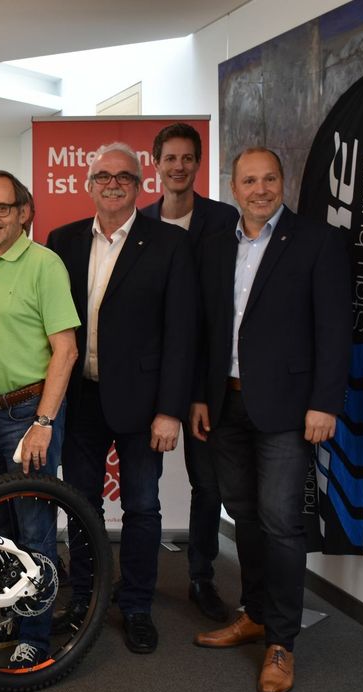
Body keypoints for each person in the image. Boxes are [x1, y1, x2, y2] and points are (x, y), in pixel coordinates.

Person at [191, 147, 350, 692]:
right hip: (227, 404)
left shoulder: (316, 241)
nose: (261, 189)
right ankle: (254, 613)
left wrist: (325, 403)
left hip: (288, 409)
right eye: (249, 180)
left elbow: (335, 329)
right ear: (233, 187)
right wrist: (200, 397)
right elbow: (209, 330)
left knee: (282, 523)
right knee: (245, 515)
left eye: (270, 178)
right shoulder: (216, 245)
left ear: (283, 182)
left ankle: (281, 640)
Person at [47, 142, 195, 655]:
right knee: (80, 505)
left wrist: (170, 409)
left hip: (143, 404)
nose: (113, 184)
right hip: (80, 400)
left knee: (143, 507)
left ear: (140, 185)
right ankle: (84, 598)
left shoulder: (169, 243)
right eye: (103, 176)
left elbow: (182, 332)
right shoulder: (61, 241)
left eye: (125, 177)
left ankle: (135, 605)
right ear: (87, 185)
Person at [0, 170, 80, 669]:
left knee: (34, 530)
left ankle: (36, 635)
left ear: (23, 212)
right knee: (3, 531)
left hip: (29, 414)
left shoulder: (44, 264)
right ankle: (17, 611)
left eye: (1, 208)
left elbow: (66, 349)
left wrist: (44, 420)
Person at [140, 123, 240, 622]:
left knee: (209, 484)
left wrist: (200, 389)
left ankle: (201, 576)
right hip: (152, 376)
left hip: (207, 378)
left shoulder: (225, 220)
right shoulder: (140, 222)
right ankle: (138, 580)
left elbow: (225, 308)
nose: (178, 166)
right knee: (143, 486)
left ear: (197, 164)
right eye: (170, 158)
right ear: (154, 164)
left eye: (187, 159)